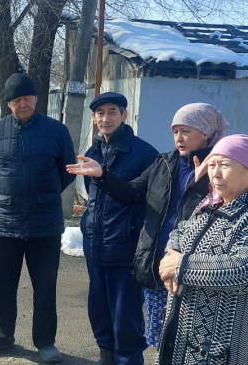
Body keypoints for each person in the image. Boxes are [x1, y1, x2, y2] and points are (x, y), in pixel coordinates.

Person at [67, 103, 229, 349]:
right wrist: (102, 174)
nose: (179, 138)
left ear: (206, 133)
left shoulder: (222, 169)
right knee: (160, 339)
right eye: (175, 132)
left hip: (193, 270)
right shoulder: (164, 164)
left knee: (191, 340)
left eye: (186, 131)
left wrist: (203, 182)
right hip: (157, 266)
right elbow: (132, 193)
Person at [155, 134, 248, 365]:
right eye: (212, 164)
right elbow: (180, 231)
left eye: (225, 165)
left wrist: (179, 266)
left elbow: (244, 268)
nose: (215, 173)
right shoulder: (212, 202)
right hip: (181, 336)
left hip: (222, 347)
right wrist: (172, 254)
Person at [0, 73, 77, 363]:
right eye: (16, 99)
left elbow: (66, 170)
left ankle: (45, 342)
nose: (23, 104)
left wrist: (41, 194)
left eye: (28, 98)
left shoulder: (56, 131)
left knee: (45, 285)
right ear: (8, 103)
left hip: (45, 222)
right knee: (1, 284)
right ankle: (1, 337)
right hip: (5, 222)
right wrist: (10, 194)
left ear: (36, 99)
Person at [78, 92, 158, 364]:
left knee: (126, 317)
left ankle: (128, 360)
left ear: (124, 115)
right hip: (96, 247)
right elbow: (92, 197)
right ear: (94, 118)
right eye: (100, 113)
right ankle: (106, 356)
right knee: (99, 310)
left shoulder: (145, 154)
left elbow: (146, 201)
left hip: (126, 249)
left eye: (112, 111)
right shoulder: (93, 151)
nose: (106, 118)